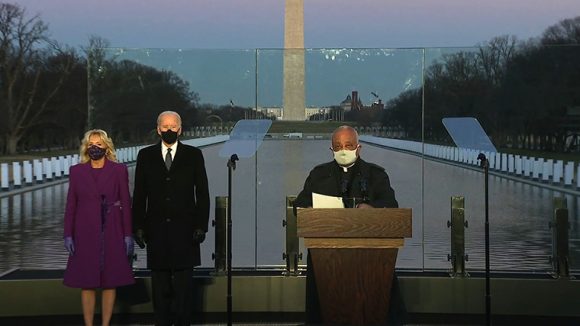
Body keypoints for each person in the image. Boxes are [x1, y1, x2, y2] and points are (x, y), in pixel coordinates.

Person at [294, 125, 405, 325]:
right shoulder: (318, 175)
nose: (343, 150)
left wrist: (371, 209)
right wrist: (316, 211)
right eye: (338, 146)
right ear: (331, 150)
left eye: (348, 145)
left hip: (371, 258)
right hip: (326, 258)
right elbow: (299, 206)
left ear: (358, 147)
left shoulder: (376, 175)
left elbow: (392, 206)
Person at [132, 110, 210, 326]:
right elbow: (139, 194)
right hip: (156, 231)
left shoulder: (194, 155)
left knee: (185, 290)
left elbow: (202, 193)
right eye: (165, 126)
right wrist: (137, 226)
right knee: (160, 288)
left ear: (180, 129)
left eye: (173, 126)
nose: (169, 130)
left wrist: (201, 226)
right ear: (158, 129)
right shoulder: (145, 155)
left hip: (186, 232)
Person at [63, 129, 135, 326]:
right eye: (91, 144)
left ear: (106, 146)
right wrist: (68, 234)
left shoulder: (118, 170)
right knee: (86, 283)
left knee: (110, 281)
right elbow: (71, 205)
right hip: (84, 230)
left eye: (99, 144)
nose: (95, 147)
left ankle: (105, 324)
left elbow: (126, 204)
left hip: (112, 228)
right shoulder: (76, 171)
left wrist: (128, 234)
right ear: (86, 147)